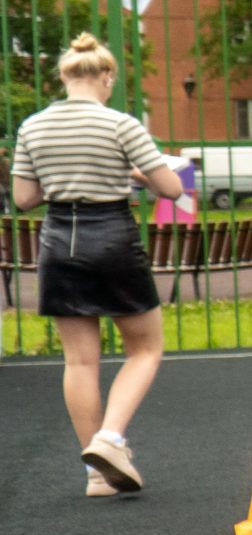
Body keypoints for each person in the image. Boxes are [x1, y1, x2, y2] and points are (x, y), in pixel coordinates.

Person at [10, 34, 184, 496]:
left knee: (80, 361)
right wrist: (136, 173)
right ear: (106, 77)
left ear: (66, 77)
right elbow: (170, 189)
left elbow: (24, 199)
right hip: (111, 236)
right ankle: (110, 439)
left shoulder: (33, 127)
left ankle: (96, 474)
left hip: (58, 242)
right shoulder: (121, 125)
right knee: (144, 349)